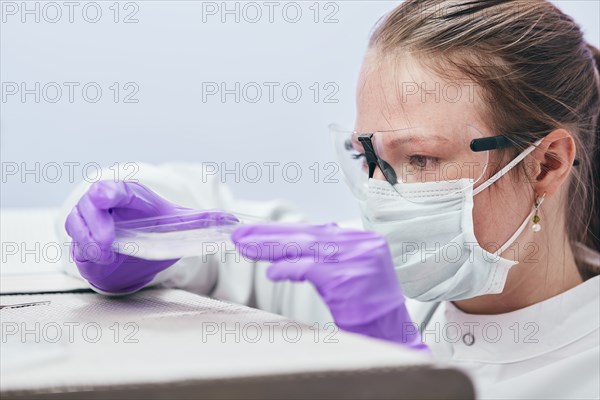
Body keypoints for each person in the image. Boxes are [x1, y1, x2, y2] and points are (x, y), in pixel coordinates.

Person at [59, 0, 600, 398]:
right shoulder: (376, 293)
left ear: (547, 163)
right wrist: (134, 228)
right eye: (370, 157)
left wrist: (404, 378)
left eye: (422, 159)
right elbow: (220, 249)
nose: (385, 195)